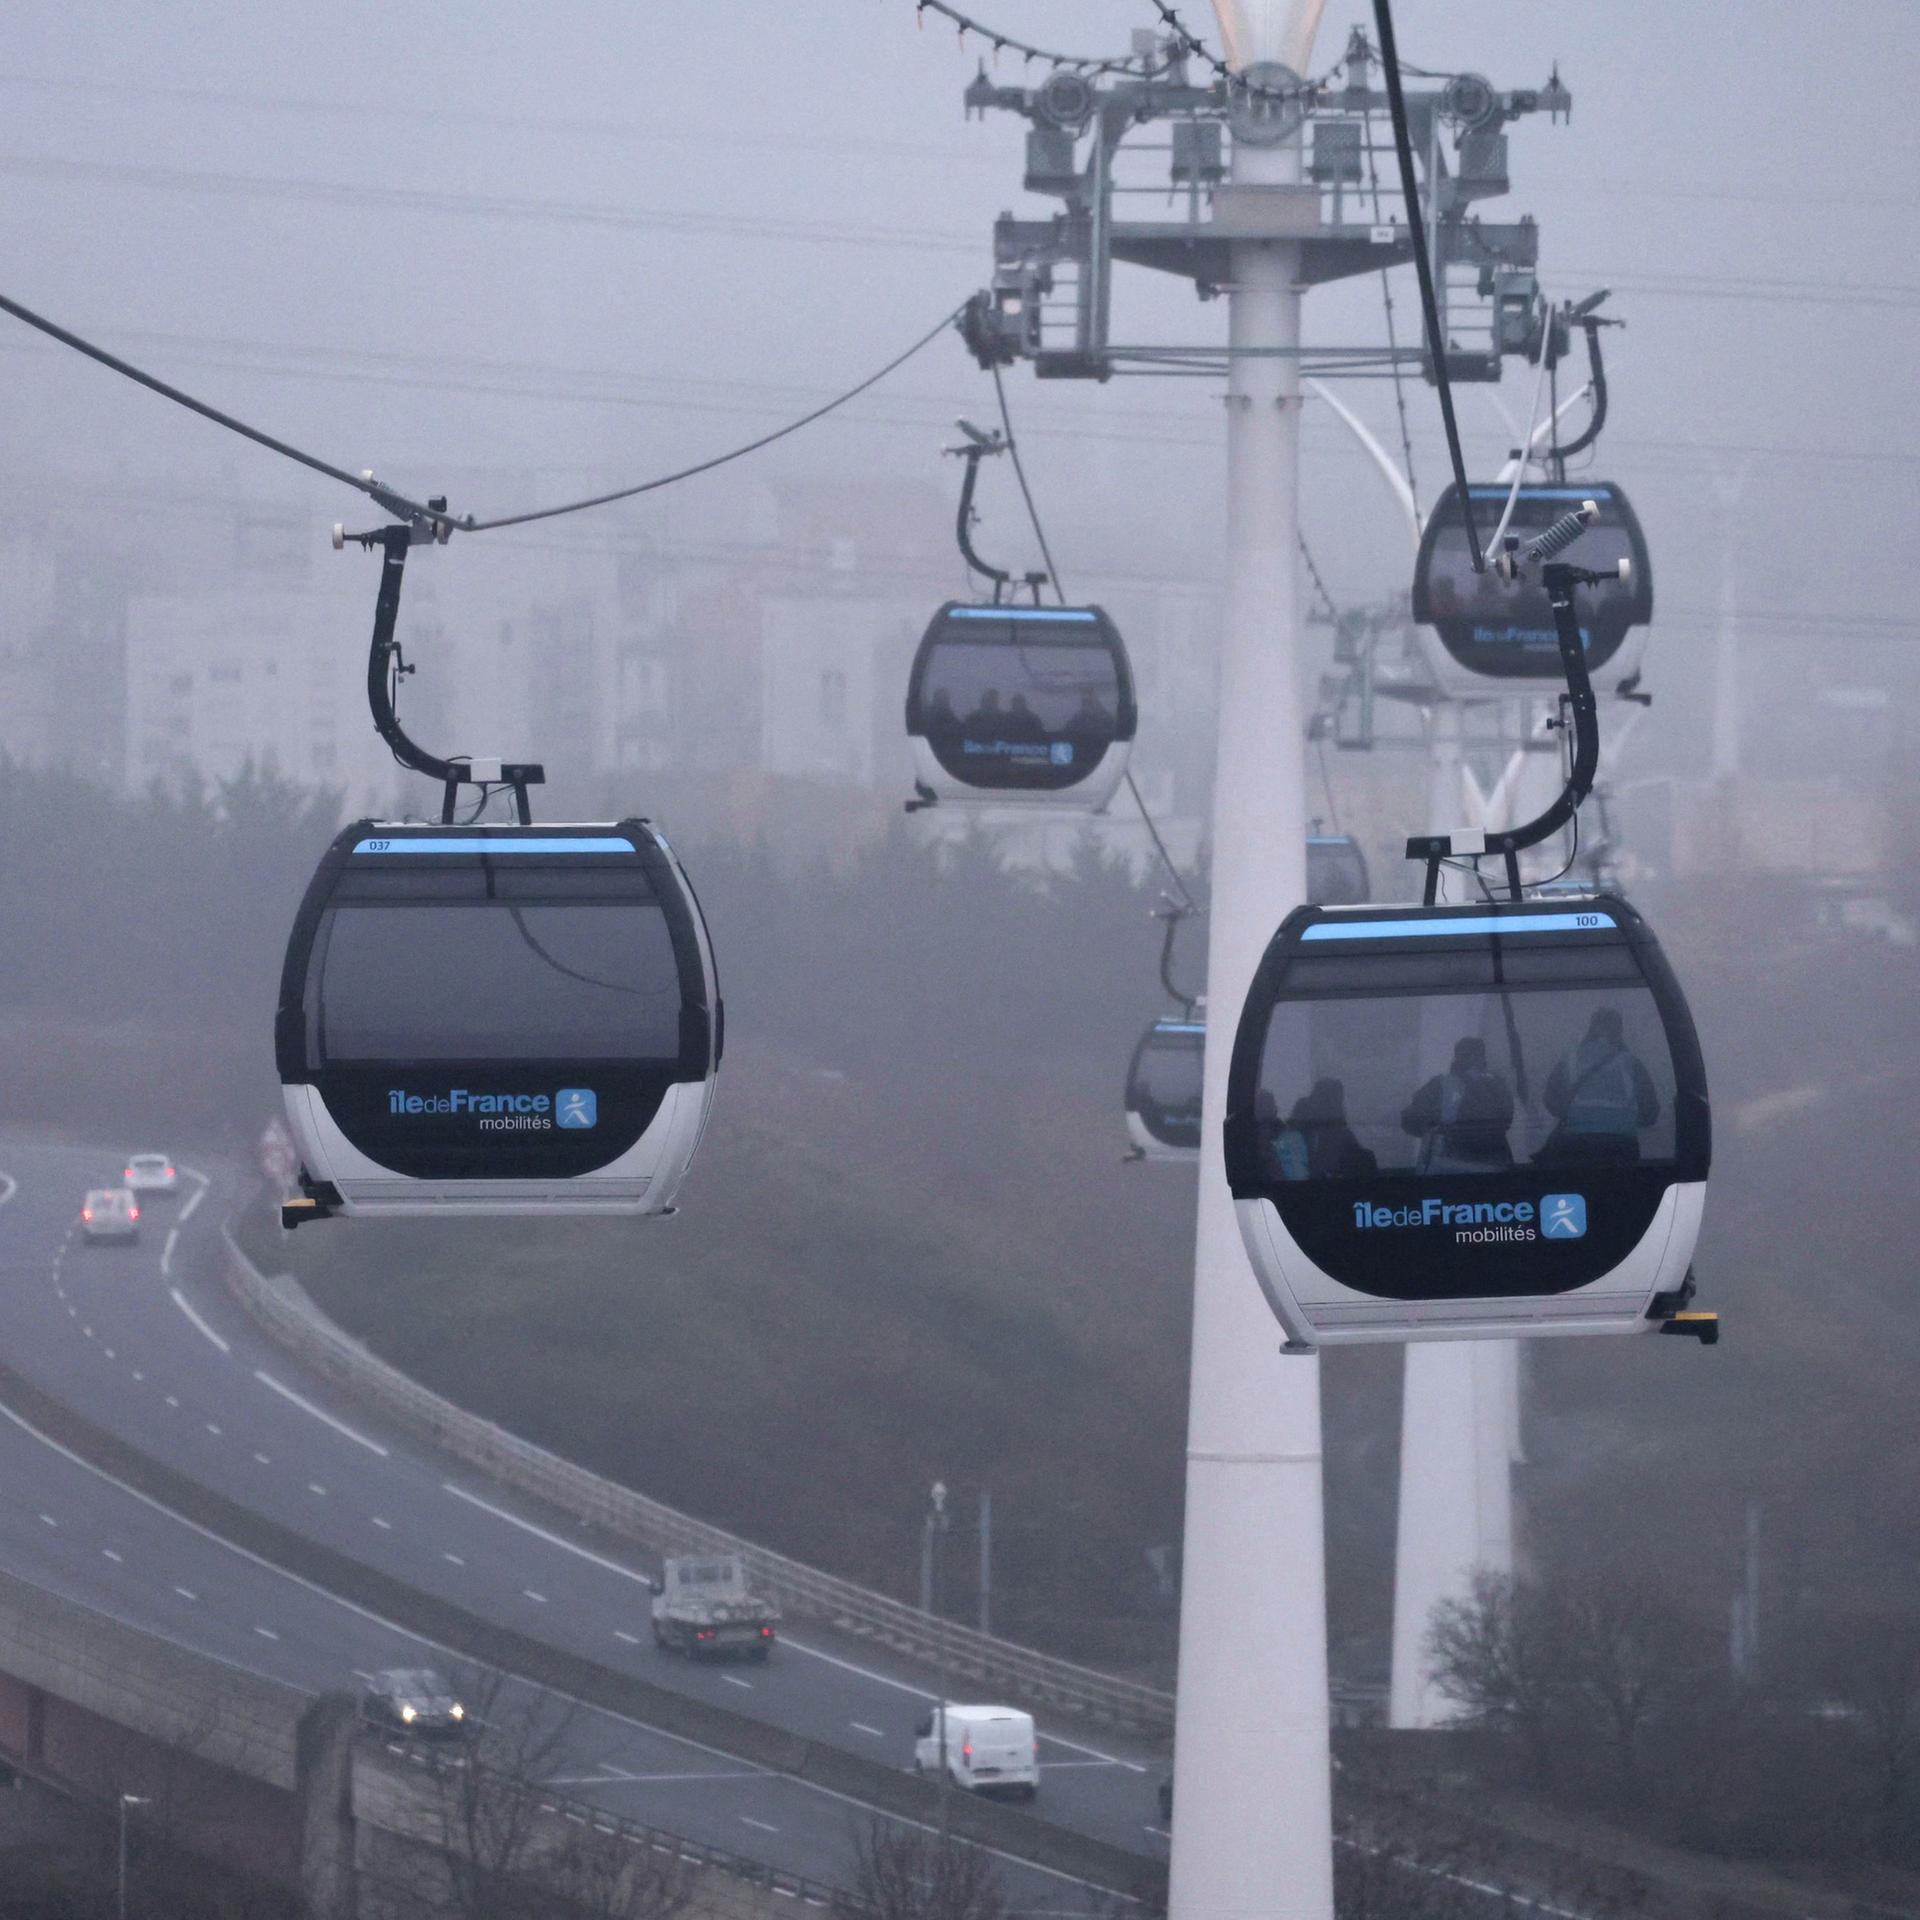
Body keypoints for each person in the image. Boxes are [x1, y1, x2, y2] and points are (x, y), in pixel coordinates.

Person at [1541, 1007, 1661, 1165]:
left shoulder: (1572, 1059)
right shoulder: (1631, 1063)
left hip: (1577, 1143)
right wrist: (1625, 1122)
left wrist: (1573, 1117)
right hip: (1621, 1145)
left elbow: (1551, 1100)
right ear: (1619, 1030)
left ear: (1591, 1027)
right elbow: (1650, 1112)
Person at [1401, 1037, 1516, 1172]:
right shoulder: (1498, 1084)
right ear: (1482, 1057)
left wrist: (1432, 1128)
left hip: (1448, 1168)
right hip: (1494, 1167)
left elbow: (1411, 1122)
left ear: (1457, 1057)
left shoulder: (1440, 1085)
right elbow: (1506, 1120)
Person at [1282, 1078, 1377, 1180]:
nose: (1335, 1101)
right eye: (1329, 1097)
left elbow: (1358, 1160)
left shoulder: (1342, 1133)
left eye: (1336, 1097)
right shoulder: (1299, 1127)